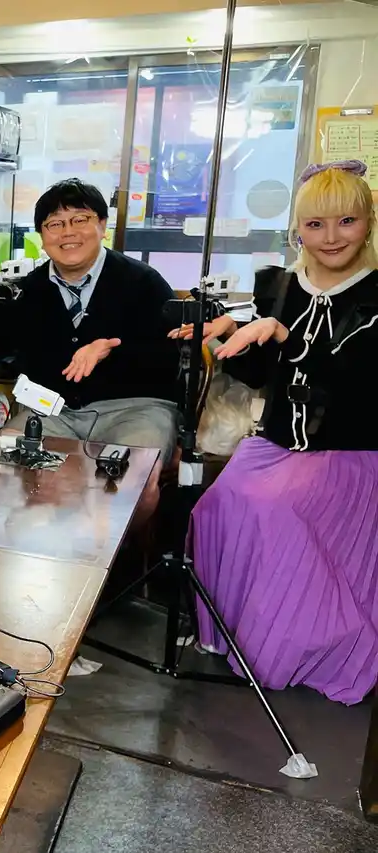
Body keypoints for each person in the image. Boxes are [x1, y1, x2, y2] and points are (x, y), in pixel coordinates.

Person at [180, 160, 378, 704]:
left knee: (277, 510)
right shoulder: (280, 284)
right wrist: (225, 337)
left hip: (350, 449)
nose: (331, 237)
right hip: (275, 445)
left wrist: (283, 335)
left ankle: (302, 648)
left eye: (346, 221)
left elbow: (354, 379)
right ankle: (235, 636)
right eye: (315, 224)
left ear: (369, 222)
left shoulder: (375, 295)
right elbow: (258, 375)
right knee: (214, 507)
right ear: (297, 231)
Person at [0, 178, 179, 517]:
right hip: (55, 412)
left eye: (80, 219)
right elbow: (4, 350)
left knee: (132, 484)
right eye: (55, 224)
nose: (68, 232)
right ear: (42, 235)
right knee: (6, 468)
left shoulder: (144, 282)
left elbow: (171, 356)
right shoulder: (30, 288)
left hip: (134, 409)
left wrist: (112, 349)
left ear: (102, 225)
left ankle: (118, 551)